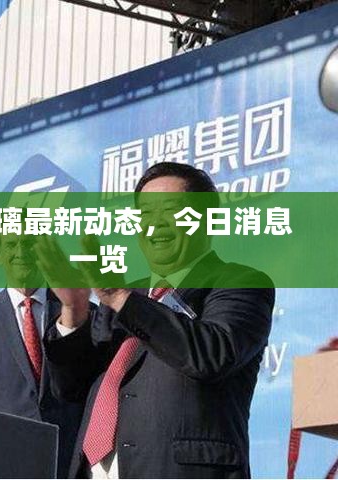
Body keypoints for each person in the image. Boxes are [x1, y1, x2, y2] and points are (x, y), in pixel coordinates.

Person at [40, 163, 275, 479]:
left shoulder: (240, 282)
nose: (155, 225)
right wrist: (74, 309)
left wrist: (121, 298)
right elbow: (70, 389)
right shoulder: (125, 295)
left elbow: (213, 354)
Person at [0, 233, 86, 478]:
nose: (21, 252)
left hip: (70, 465)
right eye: (11, 244)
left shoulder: (82, 314)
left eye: (30, 243)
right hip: (2, 466)